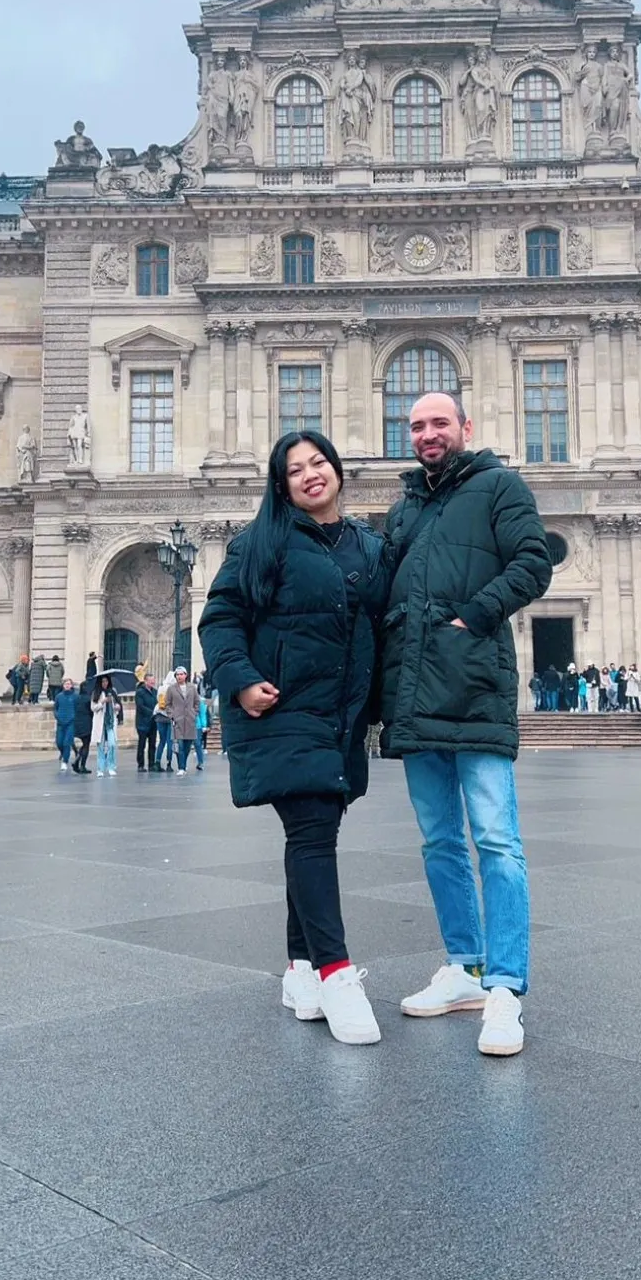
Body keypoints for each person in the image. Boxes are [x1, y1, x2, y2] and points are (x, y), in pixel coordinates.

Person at [199, 430, 390, 1047]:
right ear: (281, 486)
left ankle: (299, 968)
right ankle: (336, 973)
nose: (310, 474)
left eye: (319, 462)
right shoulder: (261, 542)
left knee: (313, 832)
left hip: (342, 714)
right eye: (295, 469)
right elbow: (220, 619)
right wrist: (240, 681)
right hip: (281, 705)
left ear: (336, 469)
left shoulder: (368, 546)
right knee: (312, 831)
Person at [379, 391, 551, 1058]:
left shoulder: (501, 486)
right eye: (417, 425)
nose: (427, 433)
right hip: (415, 691)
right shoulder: (405, 507)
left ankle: (504, 986)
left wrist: (472, 617)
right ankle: (464, 966)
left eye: (438, 423)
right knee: (440, 843)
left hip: (475, 685)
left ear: (464, 427)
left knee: (497, 842)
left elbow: (533, 563)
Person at [164, 667, 201, 775]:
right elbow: (167, 704)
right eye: (177, 674)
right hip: (178, 720)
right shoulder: (171, 689)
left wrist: (194, 713)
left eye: (181, 674)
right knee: (179, 744)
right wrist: (172, 715)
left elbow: (197, 702)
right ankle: (181, 767)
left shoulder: (192, 687)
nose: (179, 676)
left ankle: (183, 764)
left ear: (186, 675)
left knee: (187, 745)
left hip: (190, 720)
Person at [90, 673, 123, 777]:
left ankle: (111, 767)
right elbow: (93, 708)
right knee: (100, 747)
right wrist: (102, 702)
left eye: (106, 681)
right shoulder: (96, 693)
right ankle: (100, 769)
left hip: (110, 722)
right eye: (103, 681)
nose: (105, 683)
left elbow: (117, 704)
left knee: (112, 744)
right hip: (100, 723)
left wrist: (117, 707)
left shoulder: (112, 692)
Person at [134, 673, 158, 771]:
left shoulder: (155, 692)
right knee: (142, 744)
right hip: (142, 722)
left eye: (153, 680)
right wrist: (151, 712)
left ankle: (151, 764)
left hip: (153, 722)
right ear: (145, 681)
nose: (153, 682)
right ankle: (140, 765)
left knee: (152, 744)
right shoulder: (140, 692)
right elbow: (140, 706)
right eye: (150, 680)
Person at [53, 677, 77, 770]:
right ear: (63, 685)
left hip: (71, 723)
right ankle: (64, 754)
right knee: (59, 742)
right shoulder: (59, 696)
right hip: (60, 722)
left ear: (71, 685)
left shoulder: (75, 696)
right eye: (66, 684)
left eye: (69, 684)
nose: (67, 685)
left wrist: (74, 717)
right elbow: (55, 708)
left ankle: (65, 761)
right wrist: (57, 716)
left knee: (67, 742)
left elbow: (77, 708)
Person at [71, 677, 94, 773]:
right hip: (86, 723)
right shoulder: (89, 699)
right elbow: (91, 711)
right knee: (86, 745)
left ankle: (77, 759)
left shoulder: (76, 698)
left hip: (76, 723)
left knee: (83, 744)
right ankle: (82, 765)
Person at [153, 685, 174, 772]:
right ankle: (169, 764)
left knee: (162, 741)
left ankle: (157, 762)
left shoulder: (161, 689)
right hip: (169, 718)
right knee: (170, 741)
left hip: (159, 717)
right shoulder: (173, 689)